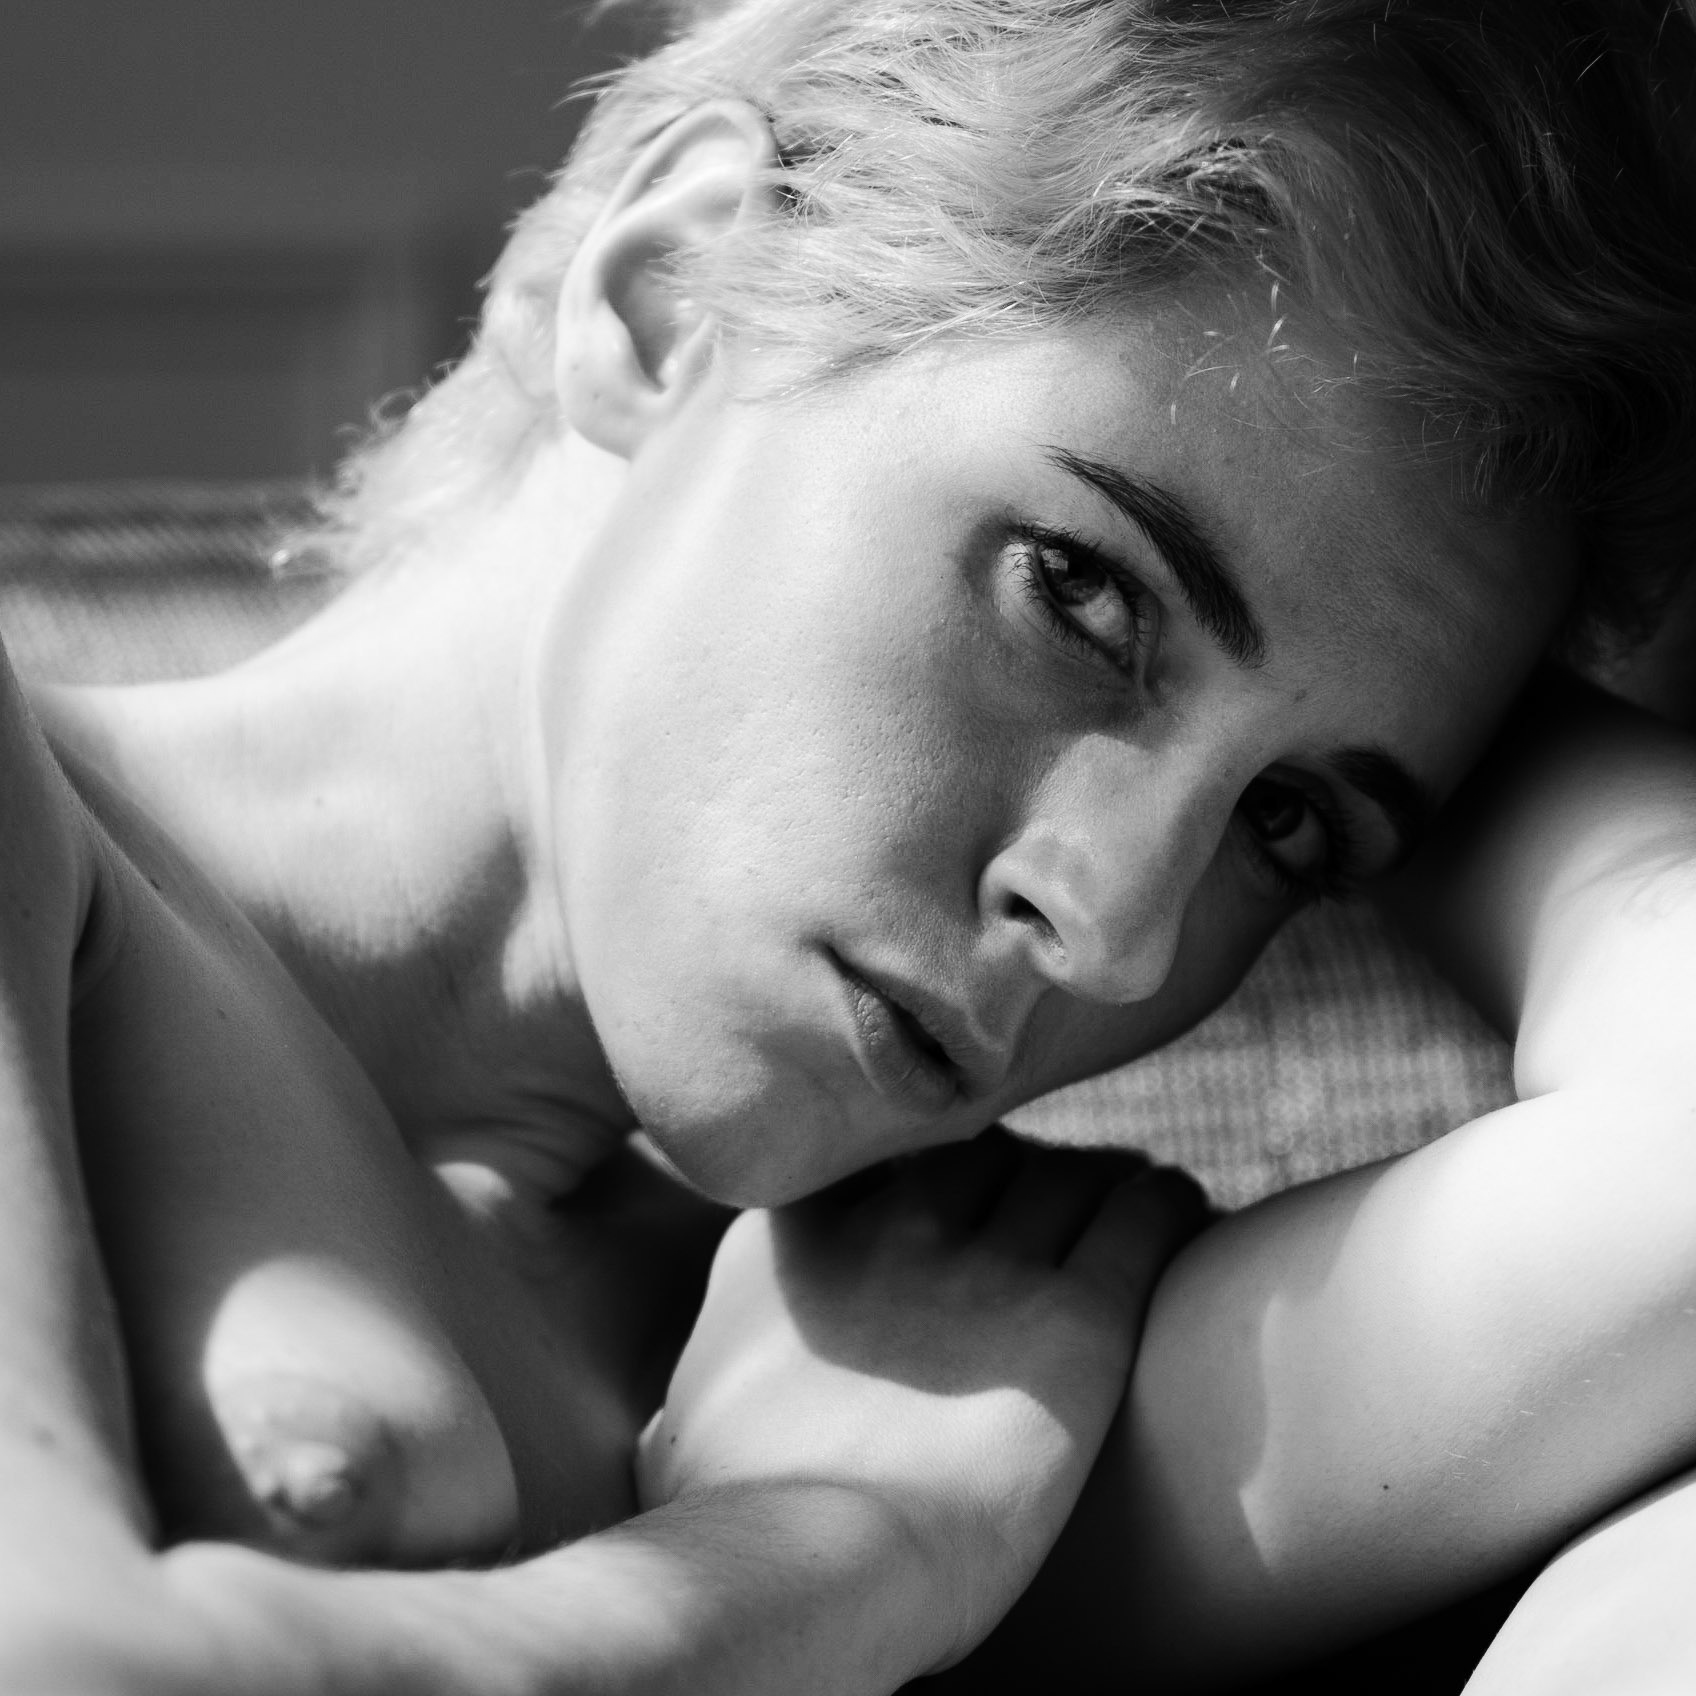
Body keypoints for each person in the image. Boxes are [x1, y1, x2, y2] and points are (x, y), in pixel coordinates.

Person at [4, 0, 1696, 1690]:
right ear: (674, 293)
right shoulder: (901, 1468)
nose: (1117, 929)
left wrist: (1476, 686)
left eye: (1286, 821)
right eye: (1081, 592)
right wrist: (834, 1548)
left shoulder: (934, 1346)